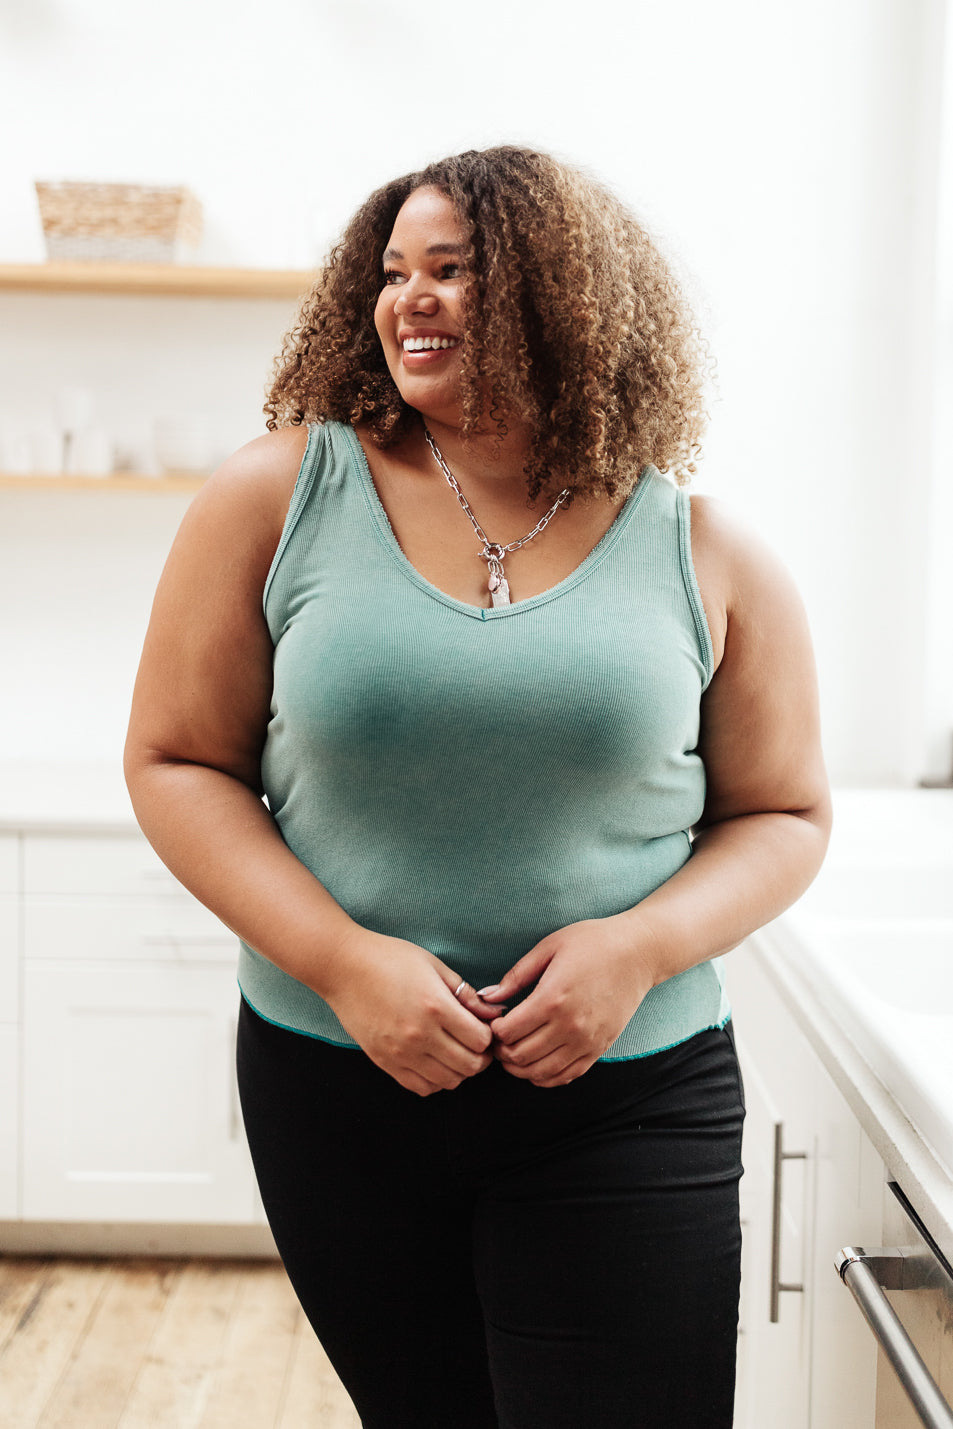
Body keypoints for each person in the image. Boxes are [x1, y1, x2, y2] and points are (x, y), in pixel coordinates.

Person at [124, 145, 830, 1428]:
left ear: (563, 295)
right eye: (394, 271)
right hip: (338, 1084)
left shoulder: (706, 549)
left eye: (453, 268)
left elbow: (782, 813)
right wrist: (343, 962)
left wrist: (637, 945)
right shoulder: (277, 494)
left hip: (627, 1092)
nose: (412, 298)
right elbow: (178, 761)